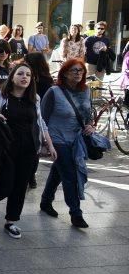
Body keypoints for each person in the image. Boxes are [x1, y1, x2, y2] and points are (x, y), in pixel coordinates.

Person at [0, 64, 55, 239]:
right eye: (20, 73)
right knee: (5, 184)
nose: (24, 77)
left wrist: (49, 144)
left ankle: (11, 221)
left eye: (28, 74)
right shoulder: (1, 96)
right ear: (12, 77)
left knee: (20, 186)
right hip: (5, 148)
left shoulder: (34, 99)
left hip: (28, 149)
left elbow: (41, 122)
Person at [39, 59, 93, 228]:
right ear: (65, 73)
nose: (78, 73)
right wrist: (44, 143)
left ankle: (45, 201)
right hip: (57, 140)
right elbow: (42, 119)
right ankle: (76, 214)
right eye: (73, 70)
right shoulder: (54, 92)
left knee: (58, 171)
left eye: (81, 70)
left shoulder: (86, 91)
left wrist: (90, 125)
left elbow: (87, 114)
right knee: (70, 175)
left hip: (76, 140)